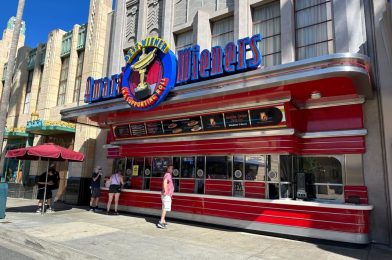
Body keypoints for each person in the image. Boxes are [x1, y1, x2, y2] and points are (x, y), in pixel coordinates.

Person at [157, 165, 174, 229]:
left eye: (172, 168)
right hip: (166, 194)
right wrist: (165, 191)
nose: (172, 170)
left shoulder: (167, 174)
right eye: (171, 168)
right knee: (165, 208)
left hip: (165, 194)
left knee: (164, 207)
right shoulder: (168, 175)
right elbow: (165, 182)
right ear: (168, 169)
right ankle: (161, 222)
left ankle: (163, 221)